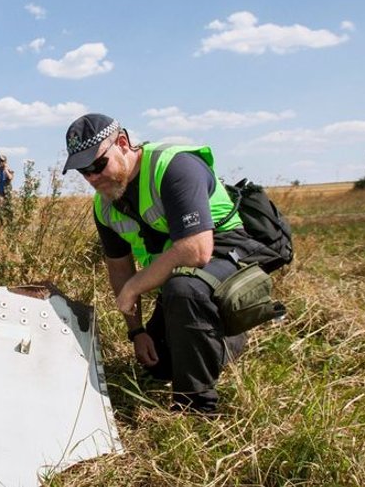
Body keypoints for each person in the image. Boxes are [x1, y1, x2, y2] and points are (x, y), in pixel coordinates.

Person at [62, 113, 269, 414]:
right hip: (179, 274)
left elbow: (196, 250)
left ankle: (196, 407)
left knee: (183, 289)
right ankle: (220, 336)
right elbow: (120, 268)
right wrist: (137, 332)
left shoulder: (173, 167)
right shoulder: (105, 206)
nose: (92, 178)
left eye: (97, 165)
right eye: (83, 172)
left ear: (122, 143)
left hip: (227, 254)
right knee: (161, 364)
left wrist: (135, 287)